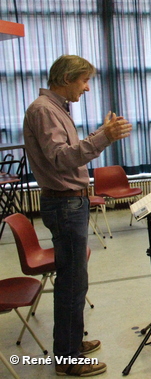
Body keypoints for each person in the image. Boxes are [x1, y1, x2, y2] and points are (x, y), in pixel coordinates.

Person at [23, 55, 133, 377]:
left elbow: (65, 153)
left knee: (76, 282)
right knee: (72, 285)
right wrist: (104, 137)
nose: (86, 88)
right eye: (84, 81)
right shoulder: (44, 110)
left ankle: (70, 342)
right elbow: (60, 159)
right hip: (65, 204)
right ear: (67, 78)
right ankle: (67, 357)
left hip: (71, 203)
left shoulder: (56, 109)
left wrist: (100, 133)